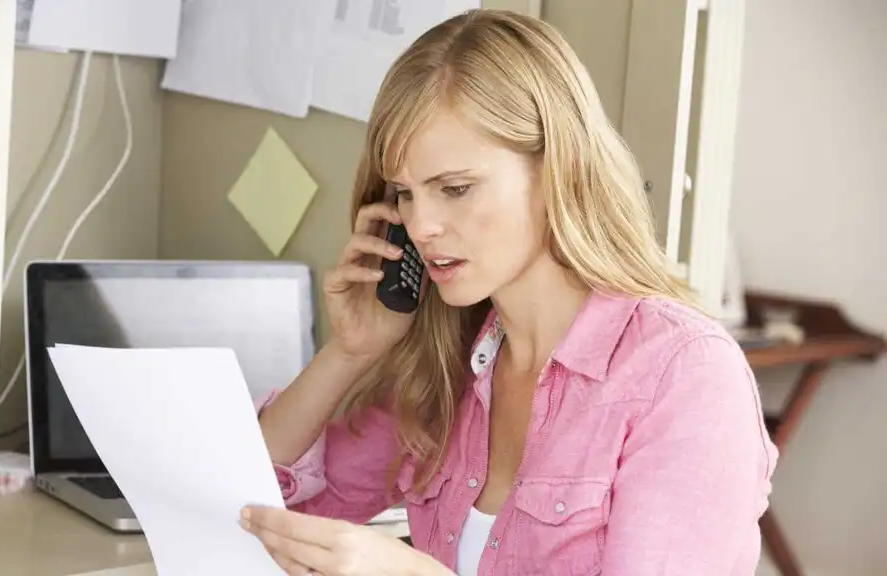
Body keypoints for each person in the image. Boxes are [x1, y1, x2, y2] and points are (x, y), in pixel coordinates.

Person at [238, 8, 777, 576]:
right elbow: (257, 505)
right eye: (404, 194)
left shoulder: (683, 375)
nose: (421, 226)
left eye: (454, 188)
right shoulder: (445, 373)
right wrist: (348, 353)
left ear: (555, 171)